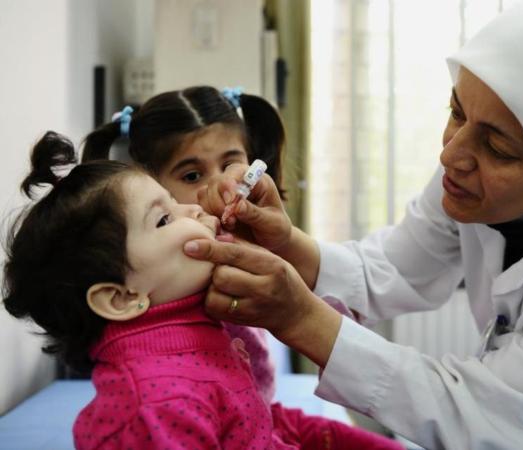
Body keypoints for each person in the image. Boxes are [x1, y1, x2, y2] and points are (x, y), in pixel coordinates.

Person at [181, 0, 523, 449]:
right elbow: (393, 267)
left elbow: (483, 416)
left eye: (498, 147)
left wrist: (298, 318)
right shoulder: (474, 170)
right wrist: (286, 243)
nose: (451, 155)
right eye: (456, 112)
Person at [2, 132, 405, 449]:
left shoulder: (201, 339)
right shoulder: (154, 408)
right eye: (164, 219)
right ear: (121, 298)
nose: (194, 208)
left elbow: (260, 425)